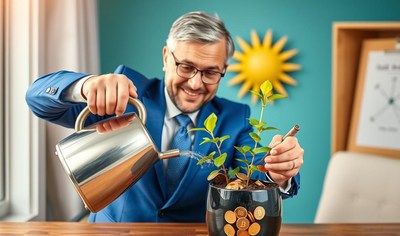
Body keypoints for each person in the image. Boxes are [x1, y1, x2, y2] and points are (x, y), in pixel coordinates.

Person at [26, 11, 304, 222]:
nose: (195, 83)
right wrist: (84, 86)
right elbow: (36, 99)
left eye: (210, 72)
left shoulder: (234, 118)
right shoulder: (126, 95)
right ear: (165, 57)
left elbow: (257, 176)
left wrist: (282, 171)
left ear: (224, 70)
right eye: (185, 66)